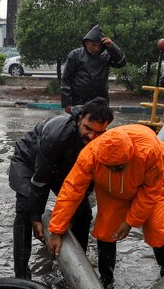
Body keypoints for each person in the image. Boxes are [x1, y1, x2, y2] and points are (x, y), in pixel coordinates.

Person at [47, 124, 164, 286]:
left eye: (119, 167)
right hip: (111, 188)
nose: (115, 171)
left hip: (156, 181)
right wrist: (56, 230)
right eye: (110, 167)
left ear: (129, 156)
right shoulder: (90, 156)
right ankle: (106, 281)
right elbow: (71, 191)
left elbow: (149, 192)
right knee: (105, 229)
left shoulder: (150, 152)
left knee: (158, 228)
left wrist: (130, 221)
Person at [8, 97, 115, 279]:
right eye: (88, 129)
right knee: (25, 211)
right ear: (80, 118)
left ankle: (77, 271)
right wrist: (36, 217)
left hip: (63, 168)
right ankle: (21, 277)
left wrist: (68, 220)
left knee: (83, 214)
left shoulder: (101, 143)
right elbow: (40, 180)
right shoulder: (56, 134)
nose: (91, 137)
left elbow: (84, 188)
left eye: (98, 132)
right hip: (29, 162)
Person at [60, 25, 126, 113]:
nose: (96, 48)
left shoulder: (106, 55)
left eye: (99, 45)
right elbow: (66, 80)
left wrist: (112, 46)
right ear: (86, 43)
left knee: (99, 124)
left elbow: (121, 62)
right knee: (79, 125)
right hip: (79, 101)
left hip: (100, 101)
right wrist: (67, 104)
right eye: (93, 45)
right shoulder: (75, 55)